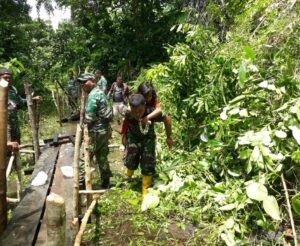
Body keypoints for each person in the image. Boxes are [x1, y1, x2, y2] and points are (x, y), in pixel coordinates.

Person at [122, 93, 173, 196]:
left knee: (148, 162)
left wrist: (169, 137)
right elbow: (125, 125)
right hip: (133, 138)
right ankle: (128, 177)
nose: (137, 114)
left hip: (148, 139)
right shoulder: (127, 113)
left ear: (144, 105)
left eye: (140, 111)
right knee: (131, 160)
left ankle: (145, 189)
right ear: (130, 108)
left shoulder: (151, 112)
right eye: (134, 111)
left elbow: (167, 119)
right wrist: (123, 141)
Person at [78, 73, 113, 188]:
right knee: (102, 156)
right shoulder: (100, 92)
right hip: (105, 130)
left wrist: (82, 127)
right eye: (82, 83)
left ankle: (81, 182)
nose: (83, 85)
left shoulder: (93, 95)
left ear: (92, 80)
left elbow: (89, 117)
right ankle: (106, 182)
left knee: (86, 156)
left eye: (85, 81)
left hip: (96, 132)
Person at [0, 68, 41, 144]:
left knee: (16, 148)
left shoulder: (13, 90)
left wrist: (33, 99)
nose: (8, 79)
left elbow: (21, 102)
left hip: (14, 126)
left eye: (10, 77)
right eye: (5, 77)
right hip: (3, 129)